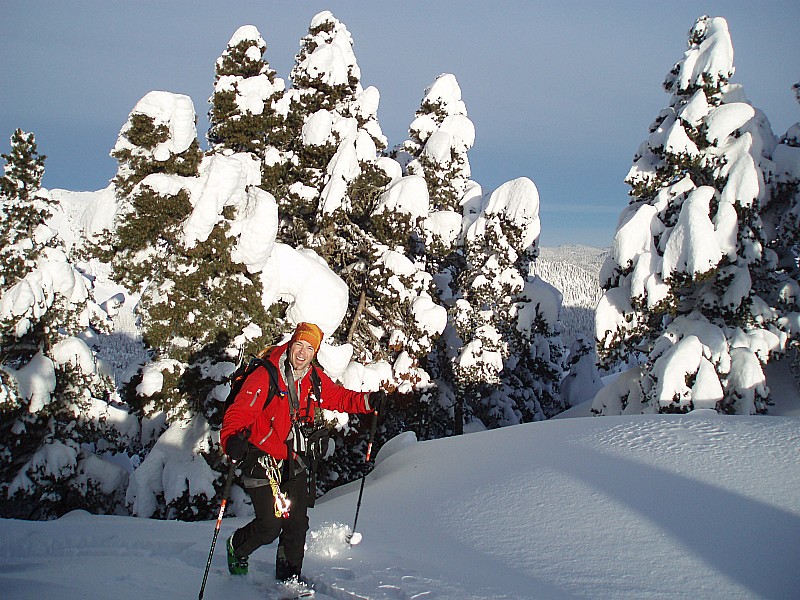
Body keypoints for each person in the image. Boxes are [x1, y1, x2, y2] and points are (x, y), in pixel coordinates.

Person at [220, 322, 383, 585]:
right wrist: (230, 440)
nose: (302, 352)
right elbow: (239, 412)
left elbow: (338, 397)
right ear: (291, 344)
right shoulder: (266, 376)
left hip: (292, 457)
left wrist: (367, 401)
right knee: (270, 525)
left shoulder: (313, 378)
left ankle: (288, 579)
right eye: (299, 345)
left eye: (309, 348)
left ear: (314, 352)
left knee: (296, 523)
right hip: (259, 455)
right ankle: (237, 548)